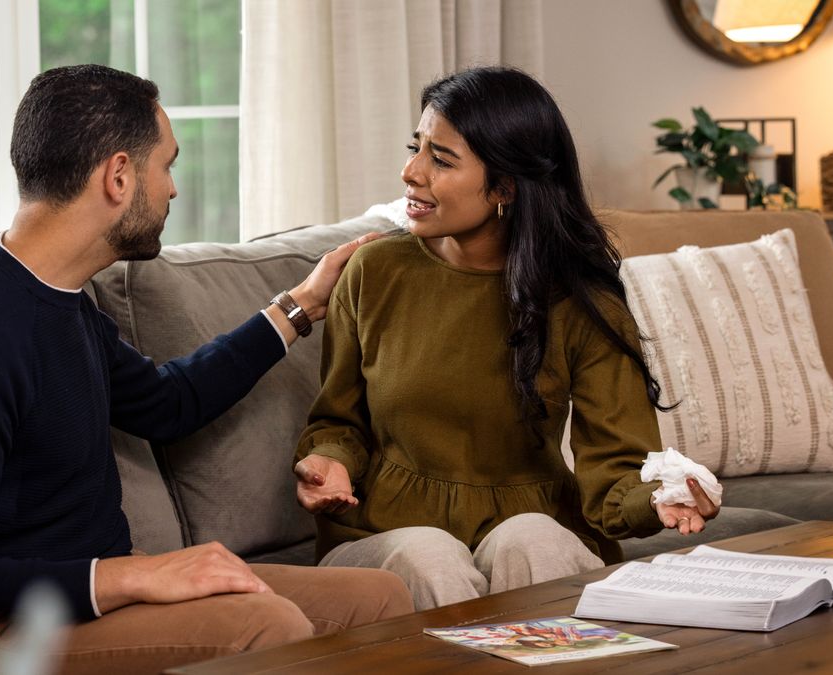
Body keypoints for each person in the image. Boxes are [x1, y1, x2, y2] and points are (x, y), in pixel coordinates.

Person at [0, 64, 410, 675]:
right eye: (167, 165)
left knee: (382, 599)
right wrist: (138, 573)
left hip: (95, 599)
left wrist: (299, 307)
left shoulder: (59, 297)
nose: (172, 190)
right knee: (269, 626)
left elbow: (167, 404)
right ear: (118, 175)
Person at [293, 66, 720, 611]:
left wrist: (659, 498)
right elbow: (339, 421)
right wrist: (329, 462)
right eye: (416, 148)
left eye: (440, 159)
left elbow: (616, 467)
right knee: (430, 555)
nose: (410, 171)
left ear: (506, 187)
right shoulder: (374, 270)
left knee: (532, 539)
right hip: (384, 535)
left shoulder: (581, 302)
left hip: (534, 525)